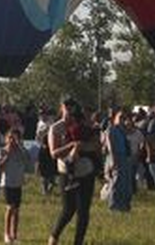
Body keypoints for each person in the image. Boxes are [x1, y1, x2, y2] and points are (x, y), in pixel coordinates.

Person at [48, 98, 100, 245]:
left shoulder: (84, 124)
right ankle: (54, 236)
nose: (69, 111)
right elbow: (54, 153)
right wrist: (72, 145)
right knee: (68, 209)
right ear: (62, 108)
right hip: (66, 171)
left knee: (83, 211)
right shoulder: (56, 128)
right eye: (66, 108)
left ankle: (78, 242)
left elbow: (95, 145)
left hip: (85, 170)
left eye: (72, 108)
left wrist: (81, 146)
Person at [0, 128, 32, 244]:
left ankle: (14, 234)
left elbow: (28, 163)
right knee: (9, 207)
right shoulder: (2, 151)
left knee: (16, 210)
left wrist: (20, 147)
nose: (12, 141)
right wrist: (7, 155)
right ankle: (6, 234)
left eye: (15, 138)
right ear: (7, 139)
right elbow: (0, 168)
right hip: (7, 183)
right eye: (10, 138)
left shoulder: (21, 151)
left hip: (18, 183)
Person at [104, 108, 133, 212]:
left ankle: (124, 206)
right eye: (120, 117)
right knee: (116, 183)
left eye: (124, 118)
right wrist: (113, 160)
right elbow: (110, 146)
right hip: (116, 157)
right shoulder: (111, 129)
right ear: (115, 118)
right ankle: (114, 206)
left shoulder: (123, 130)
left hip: (125, 157)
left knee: (126, 183)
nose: (122, 120)